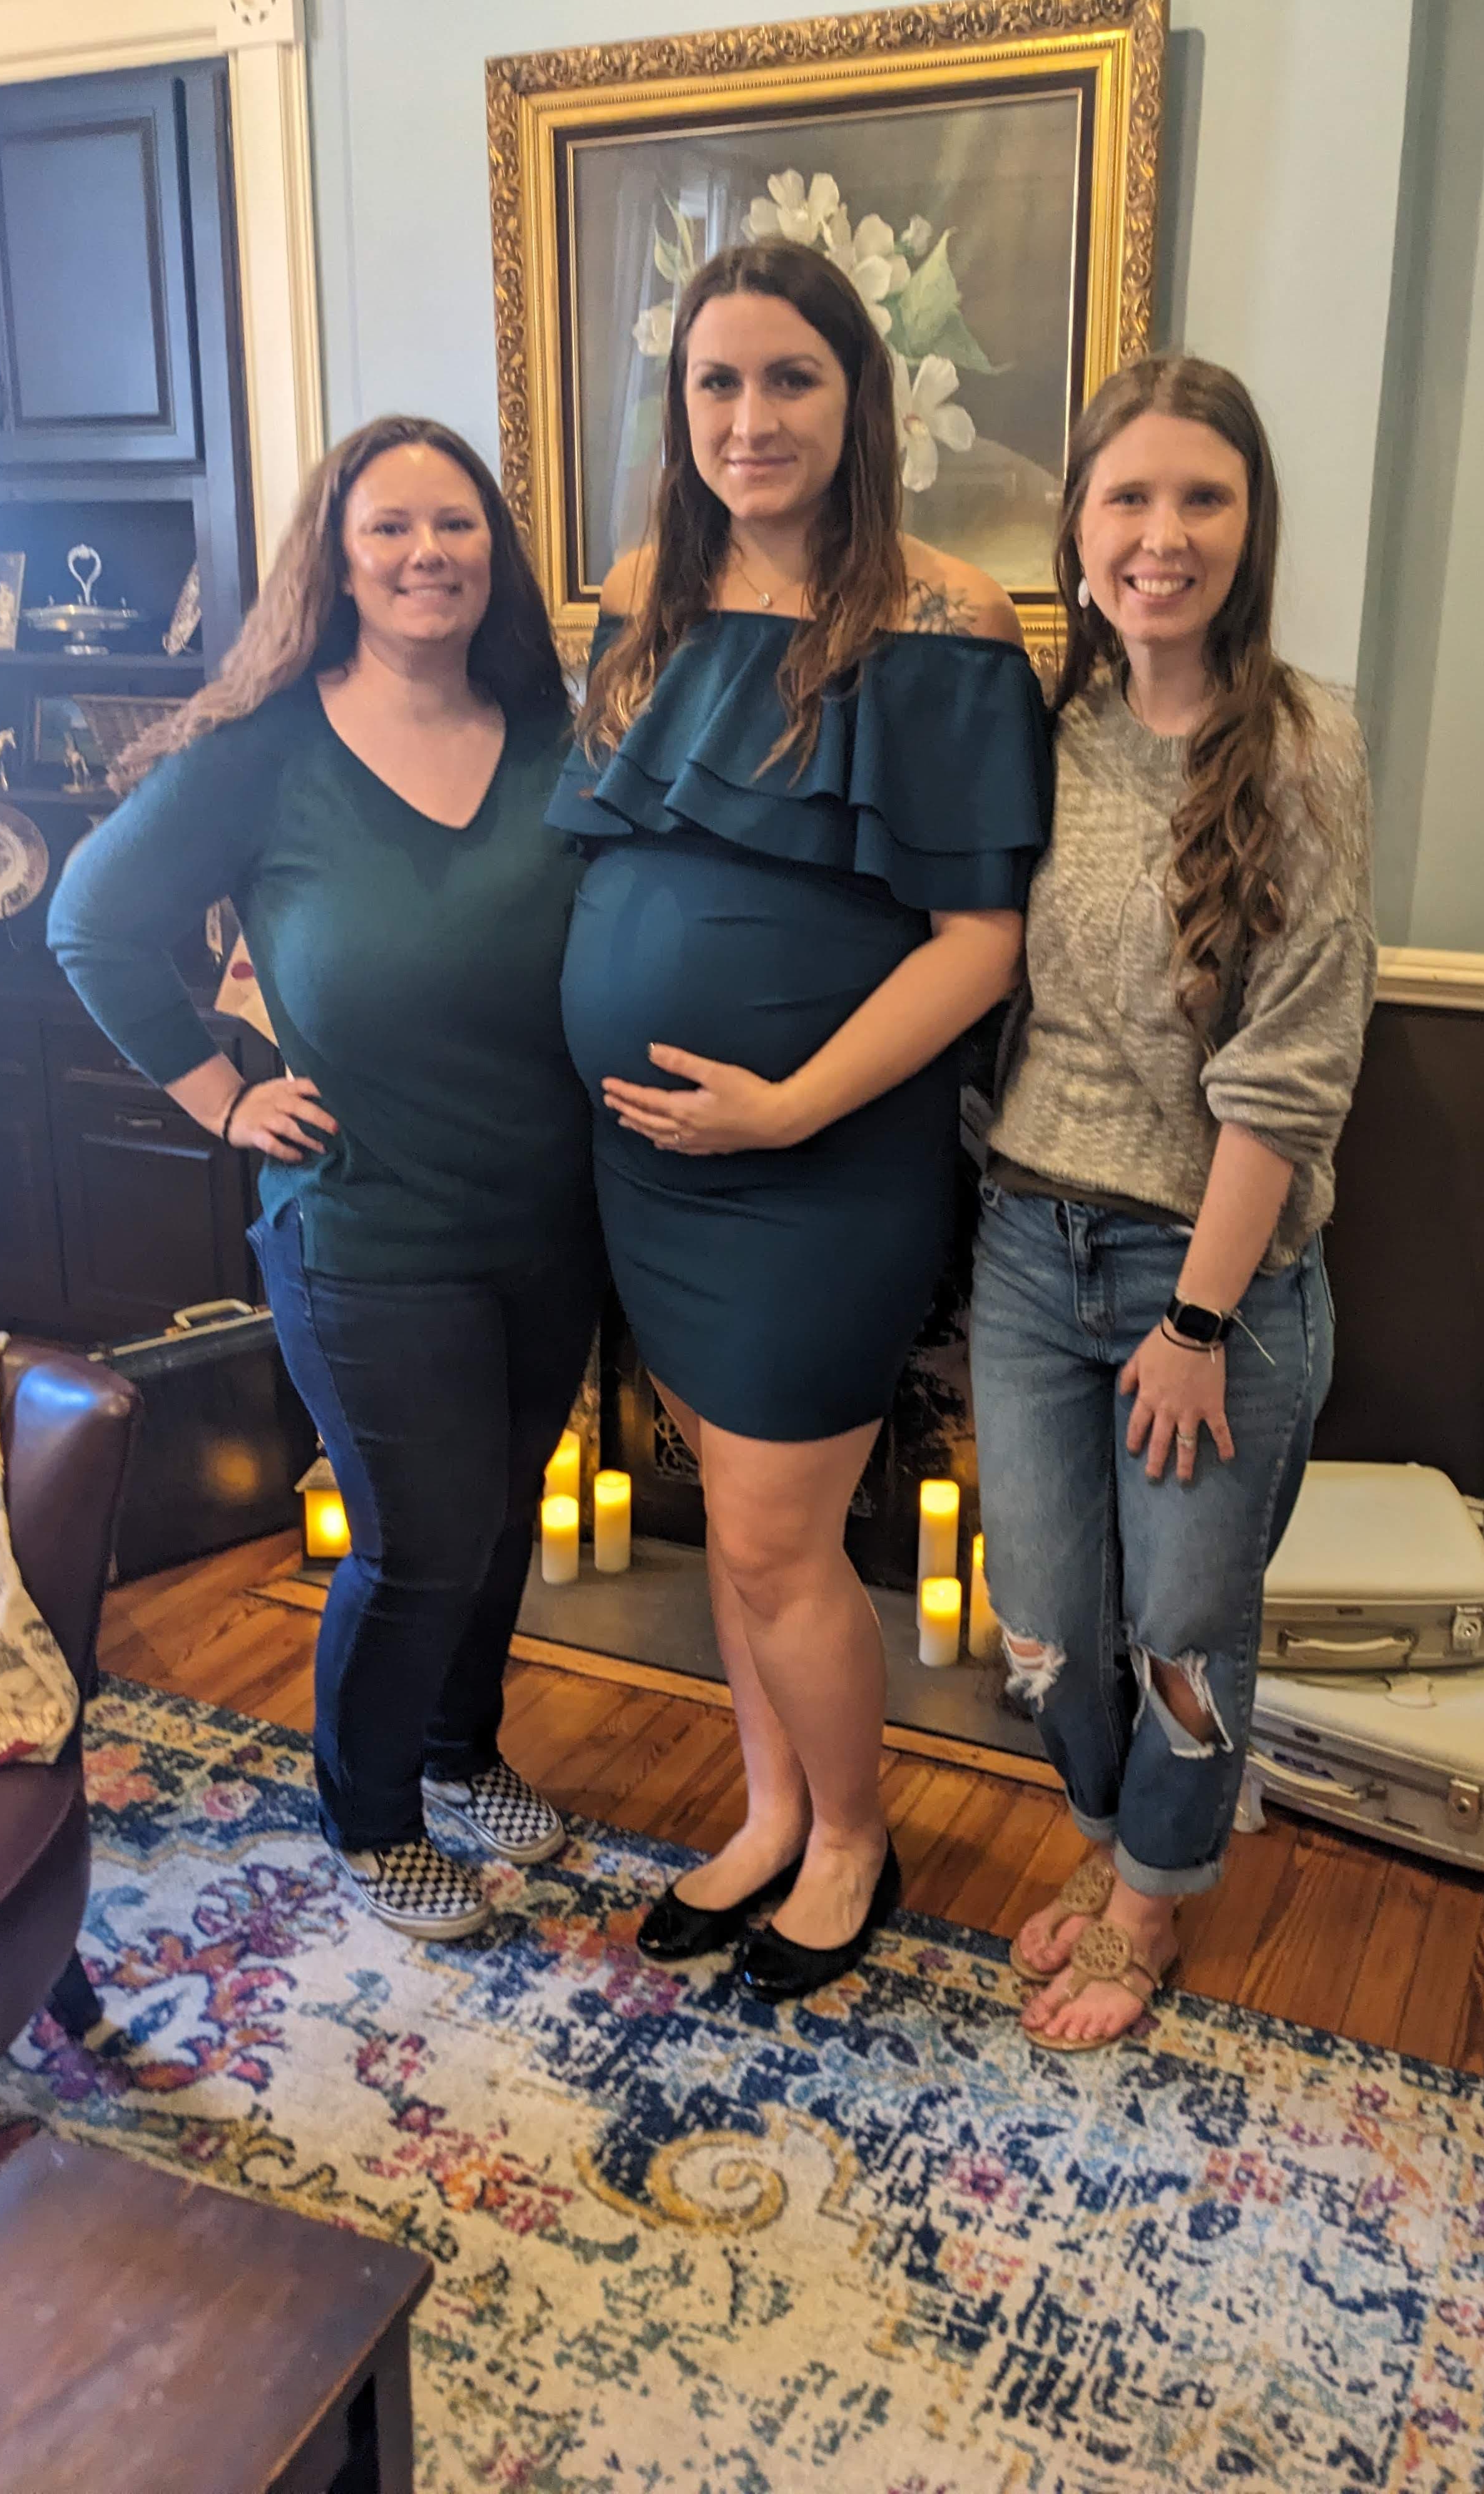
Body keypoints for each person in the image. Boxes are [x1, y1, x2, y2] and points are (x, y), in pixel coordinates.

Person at [550, 240, 1051, 1998]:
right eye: (717, 383)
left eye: (789, 380)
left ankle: (853, 1840)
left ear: (860, 401)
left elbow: (980, 944)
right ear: (678, 408)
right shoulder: (642, 599)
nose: (749, 419)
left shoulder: (945, 617)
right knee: (746, 1537)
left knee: (776, 1536)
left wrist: (788, 1106)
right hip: (650, 1163)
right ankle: (767, 1815)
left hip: (820, 1162)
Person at [48, 416, 601, 1943]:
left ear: (496, 551)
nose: (430, 554)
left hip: (547, 1224)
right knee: (417, 1536)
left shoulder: (552, 733)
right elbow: (87, 920)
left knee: (498, 1524)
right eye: (392, 530)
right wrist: (222, 1094)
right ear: (339, 561)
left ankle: (460, 1750)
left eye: (459, 526)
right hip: (365, 1229)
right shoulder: (266, 750)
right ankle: (369, 1813)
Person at [971, 354, 1376, 2052]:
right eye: (1128, 496)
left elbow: (1290, 1068)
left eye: (1201, 496)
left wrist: (1199, 1319)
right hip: (1022, 1247)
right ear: (1076, 530)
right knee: (1052, 1627)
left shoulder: (1301, 742)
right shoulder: (1035, 736)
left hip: (1206, 1269)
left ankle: (1149, 1901)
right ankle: (1110, 1838)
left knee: (1187, 1636)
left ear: (1250, 526)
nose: (1162, 533)